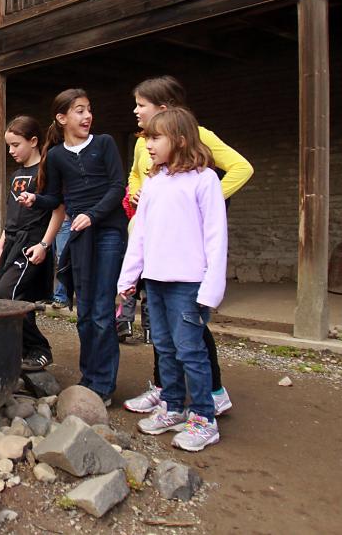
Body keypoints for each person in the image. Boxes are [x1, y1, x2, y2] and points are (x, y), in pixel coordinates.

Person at [122, 76, 252, 417]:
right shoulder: (146, 150)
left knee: (190, 336)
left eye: (141, 105)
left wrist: (199, 204)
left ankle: (211, 398)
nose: (135, 110)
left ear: (163, 109)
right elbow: (136, 177)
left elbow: (241, 168)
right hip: (154, 260)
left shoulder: (200, 149)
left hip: (185, 264)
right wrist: (135, 192)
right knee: (163, 337)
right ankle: (168, 396)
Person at [117, 107, 228, 452]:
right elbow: (140, 234)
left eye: (155, 138)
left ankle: (204, 418)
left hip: (188, 284)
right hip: (155, 281)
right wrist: (128, 278)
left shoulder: (205, 180)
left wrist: (211, 289)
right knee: (164, 347)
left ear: (180, 140)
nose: (148, 145)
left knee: (190, 351)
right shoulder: (153, 182)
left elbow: (216, 236)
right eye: (146, 138)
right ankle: (173, 407)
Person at [18, 89, 128, 405]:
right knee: (84, 311)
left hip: (108, 232)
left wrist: (92, 215)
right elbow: (56, 198)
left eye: (89, 109)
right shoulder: (55, 156)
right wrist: (36, 199)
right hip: (80, 236)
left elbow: (117, 186)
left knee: (102, 310)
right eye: (80, 110)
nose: (87, 116)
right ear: (62, 118)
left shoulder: (104, 143)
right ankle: (88, 378)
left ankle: (103, 385)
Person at [0, 116, 64, 371]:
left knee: (7, 293)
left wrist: (45, 245)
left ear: (33, 141)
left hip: (31, 242)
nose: (11, 151)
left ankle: (40, 349)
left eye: (16, 145)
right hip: (11, 241)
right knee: (15, 296)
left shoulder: (46, 171)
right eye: (9, 146)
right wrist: (1, 243)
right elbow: (12, 212)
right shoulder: (16, 174)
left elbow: (59, 210)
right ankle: (23, 353)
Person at [51, 215, 71, 309]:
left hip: (64, 219)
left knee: (63, 260)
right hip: (50, 219)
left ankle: (61, 297)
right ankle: (50, 295)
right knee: (51, 259)